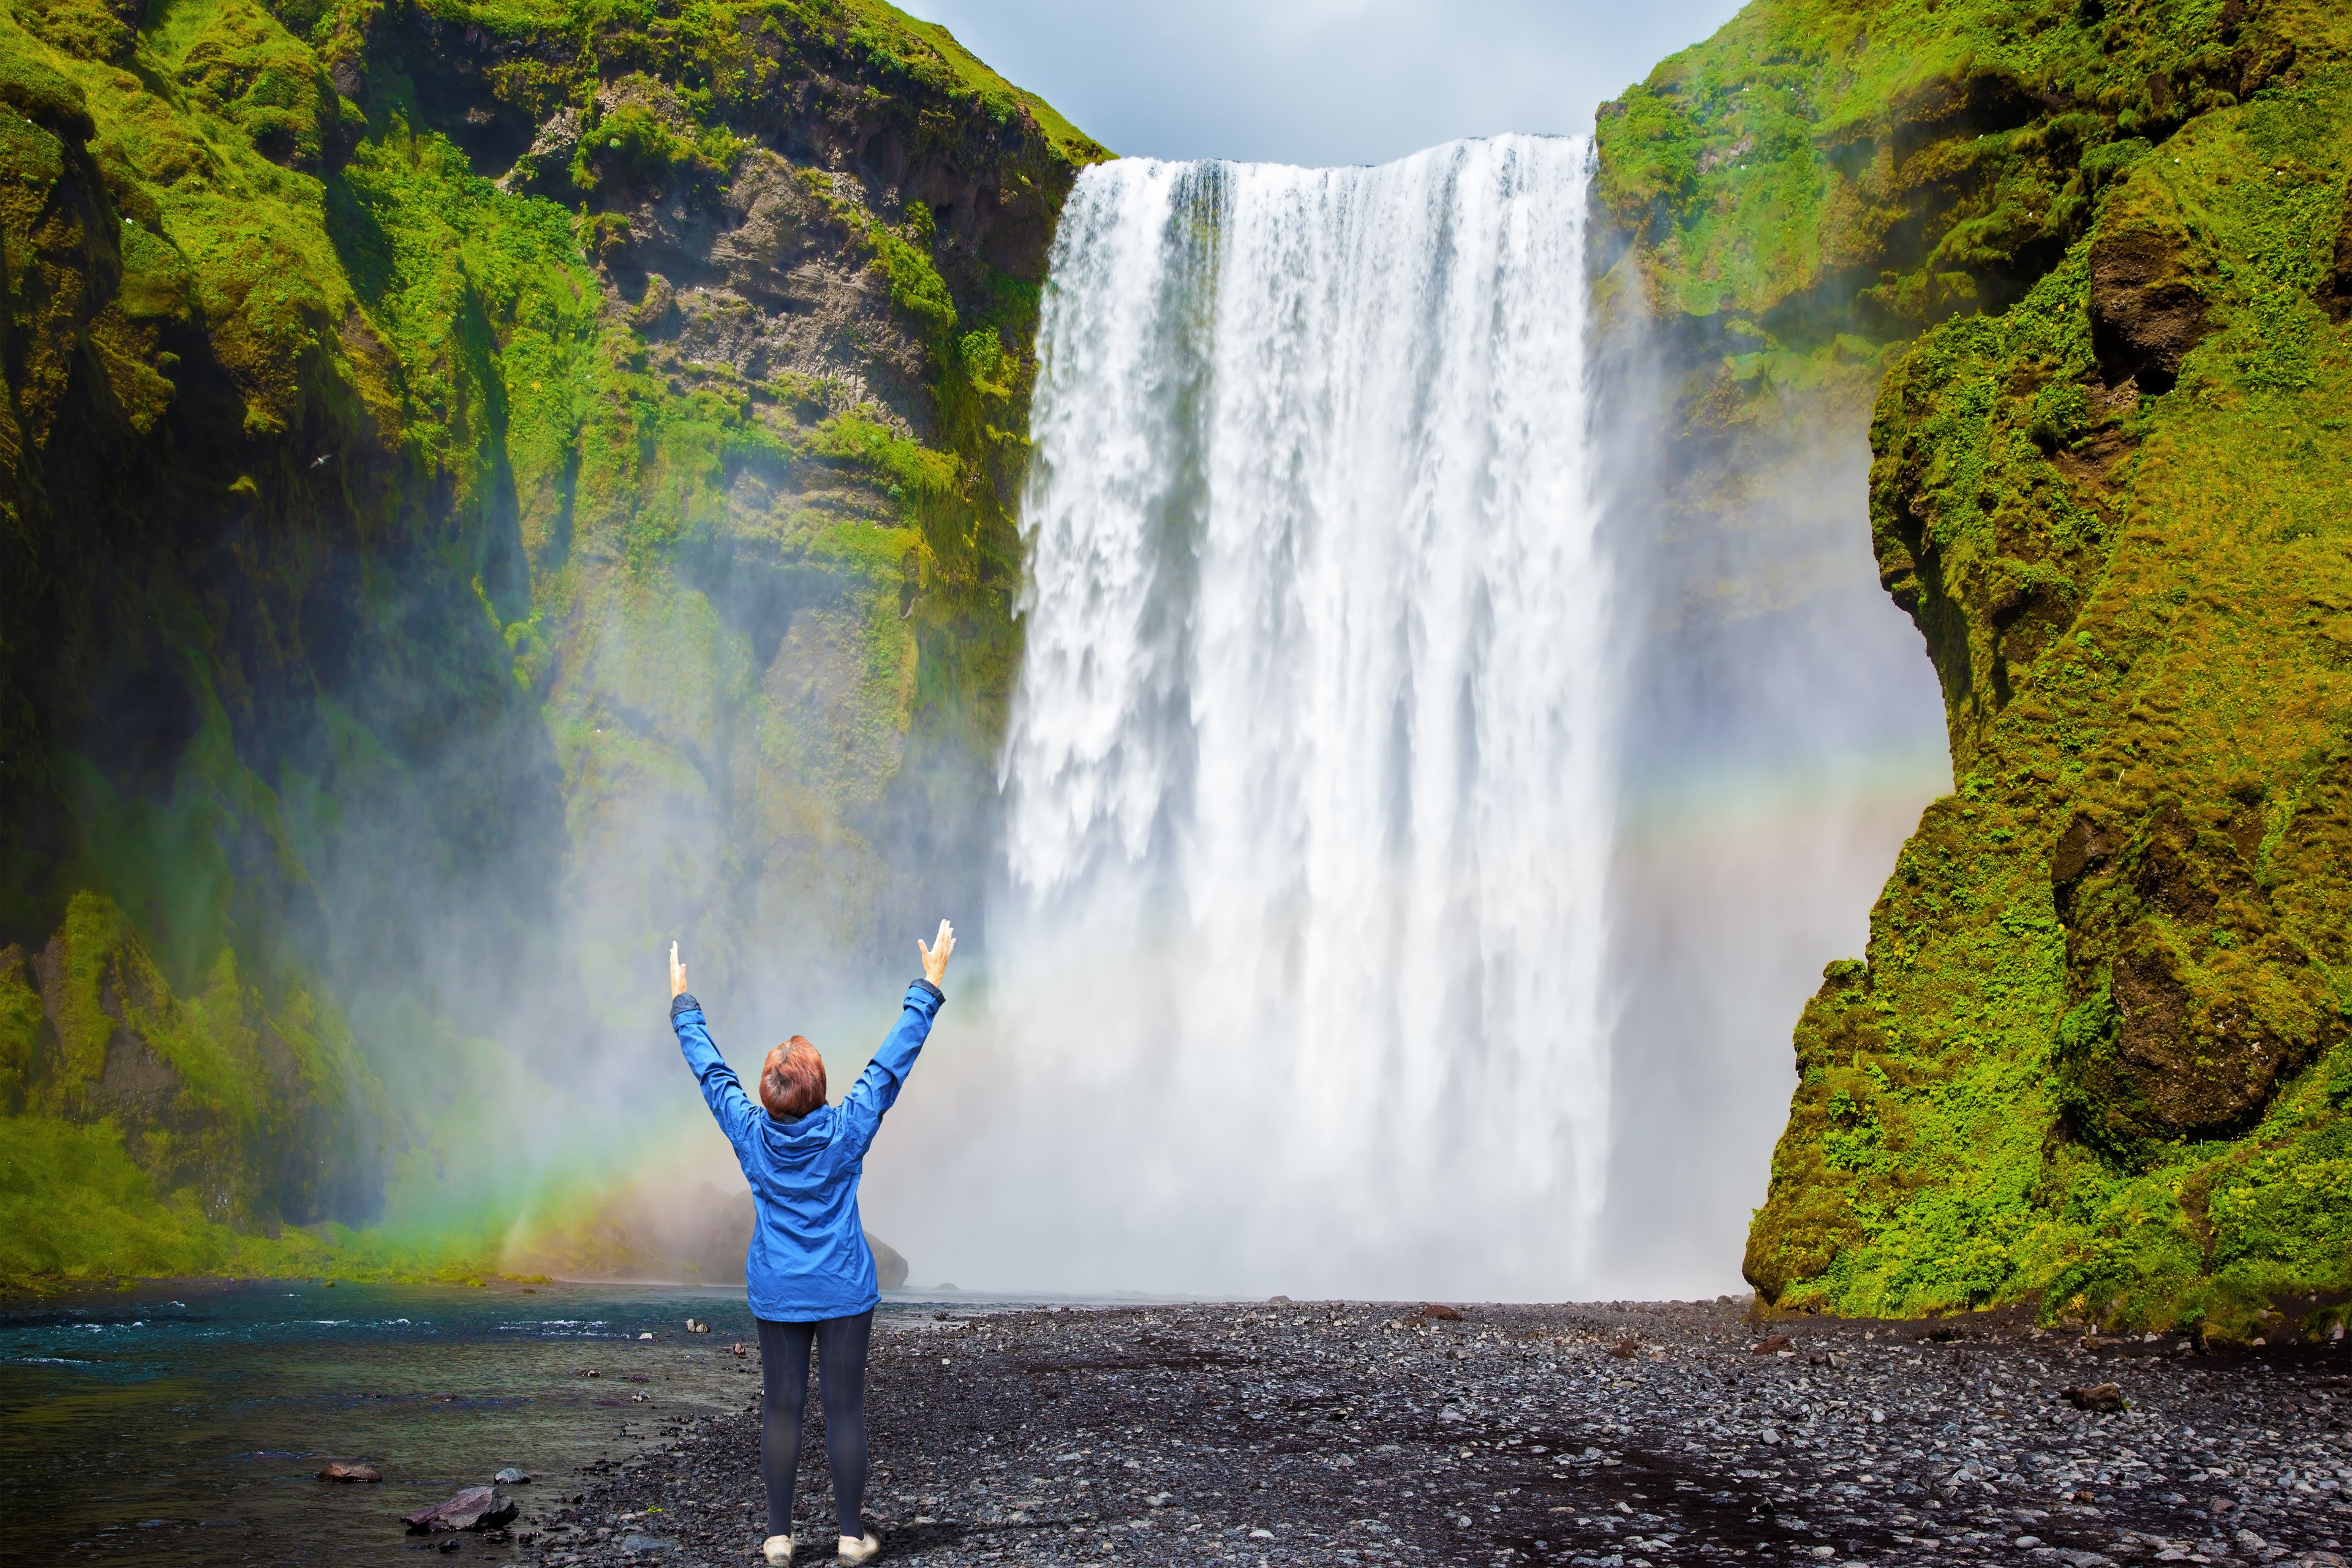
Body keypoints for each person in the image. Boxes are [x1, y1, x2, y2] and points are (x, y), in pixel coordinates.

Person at [668, 921, 956, 1566]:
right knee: (845, 1410)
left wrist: (684, 1005)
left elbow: (711, 1073)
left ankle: (778, 1538)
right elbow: (890, 1063)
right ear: (820, 1088)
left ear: (769, 1093)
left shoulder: (749, 1131)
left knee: (781, 1408)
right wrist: (929, 986)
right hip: (845, 1286)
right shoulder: (848, 1127)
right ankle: (851, 1538)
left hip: (779, 1287)